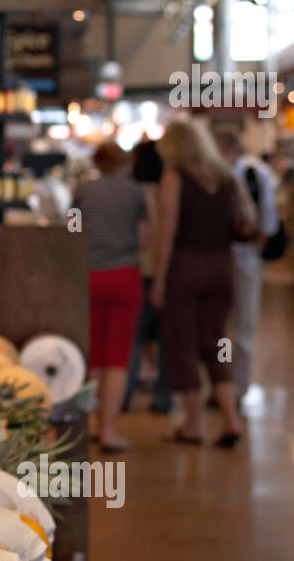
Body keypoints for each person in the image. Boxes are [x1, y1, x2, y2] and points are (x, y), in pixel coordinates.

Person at [151, 118, 250, 447]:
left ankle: (193, 424)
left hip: (186, 266)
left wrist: (159, 277)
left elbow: (168, 231)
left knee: (182, 344)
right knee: (216, 343)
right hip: (222, 266)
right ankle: (231, 418)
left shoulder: (175, 178)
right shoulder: (225, 177)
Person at [72, 141, 147, 453]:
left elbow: (72, 230)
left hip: (88, 276)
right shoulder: (135, 192)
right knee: (117, 358)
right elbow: (143, 239)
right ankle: (108, 431)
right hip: (124, 276)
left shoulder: (83, 191)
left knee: (91, 356)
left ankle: (87, 426)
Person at [213, 128, 279, 404]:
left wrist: (253, 246)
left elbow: (268, 220)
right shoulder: (211, 176)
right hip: (216, 259)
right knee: (217, 328)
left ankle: (238, 386)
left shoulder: (255, 175)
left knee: (242, 327)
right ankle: (221, 385)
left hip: (245, 260)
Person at [124, 139, 172, 413]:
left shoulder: (132, 192)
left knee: (133, 336)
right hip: (166, 271)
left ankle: (124, 394)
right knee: (167, 339)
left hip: (136, 269)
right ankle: (164, 397)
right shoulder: (171, 189)